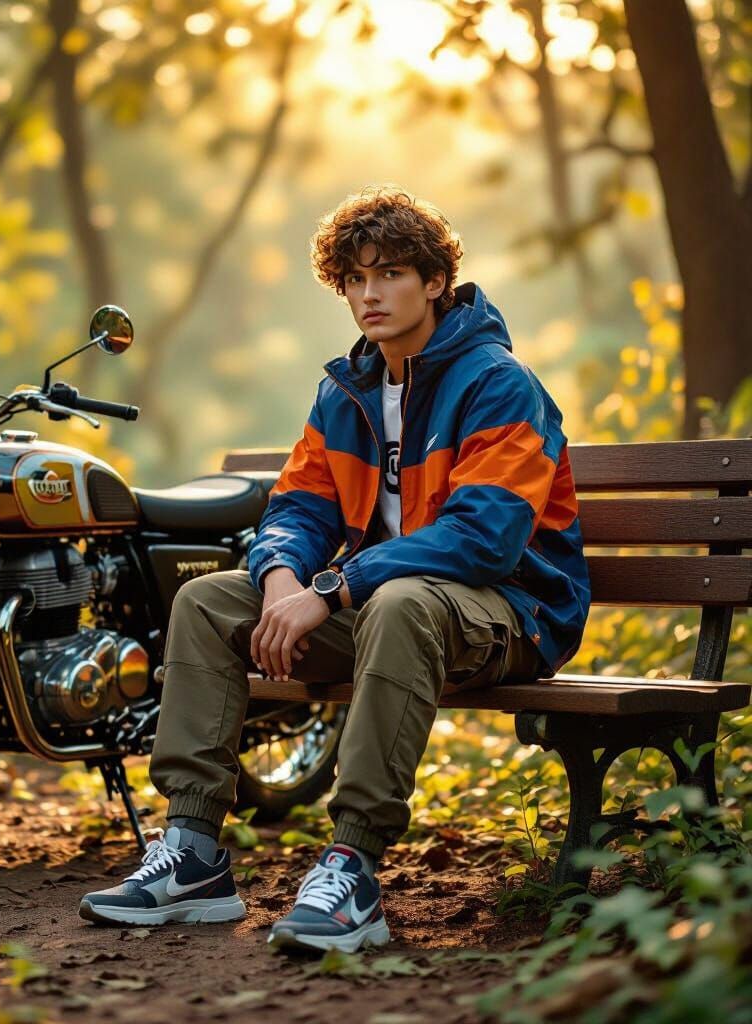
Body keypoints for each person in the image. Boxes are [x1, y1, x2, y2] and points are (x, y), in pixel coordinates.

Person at [79, 185, 591, 953]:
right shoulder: (346, 390)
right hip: (394, 609)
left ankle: (352, 864)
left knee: (402, 602)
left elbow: (484, 539)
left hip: (508, 613)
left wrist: (337, 586)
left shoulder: (497, 383)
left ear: (435, 283)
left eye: (389, 273)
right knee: (210, 602)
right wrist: (282, 576)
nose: (369, 294)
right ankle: (192, 854)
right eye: (354, 279)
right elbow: (296, 508)